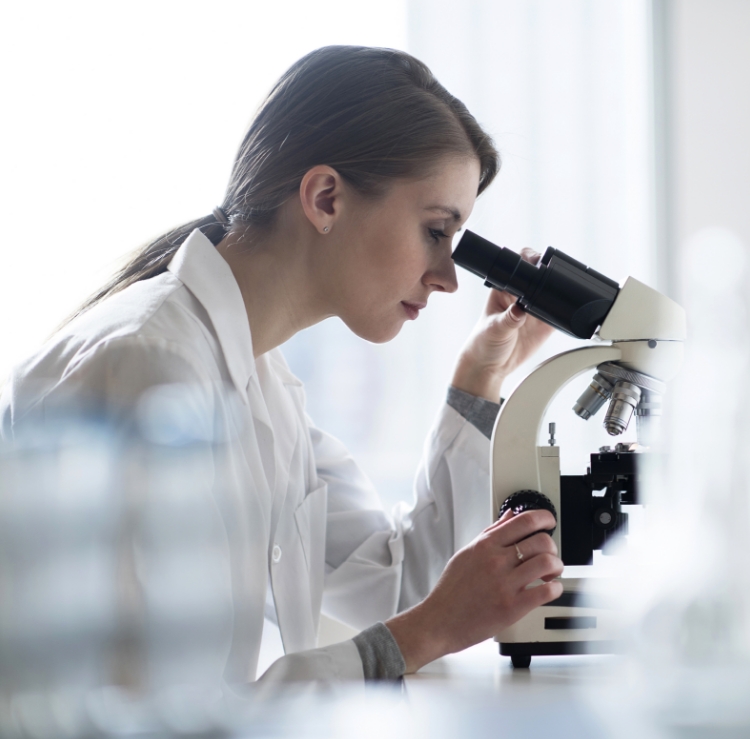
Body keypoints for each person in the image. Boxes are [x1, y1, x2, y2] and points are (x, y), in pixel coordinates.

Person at [0, 46, 562, 689]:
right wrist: (423, 635)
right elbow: (162, 724)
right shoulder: (151, 368)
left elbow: (400, 585)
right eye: (436, 231)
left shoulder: (262, 382)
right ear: (325, 198)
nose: (446, 280)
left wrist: (479, 379)